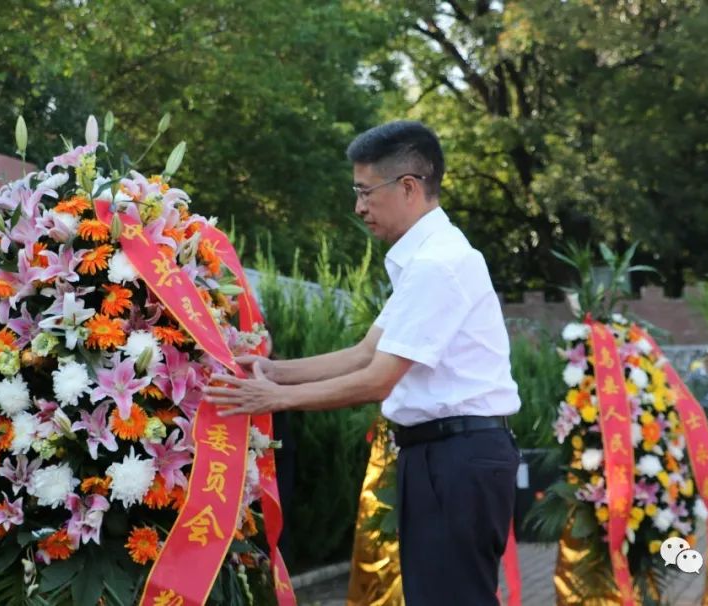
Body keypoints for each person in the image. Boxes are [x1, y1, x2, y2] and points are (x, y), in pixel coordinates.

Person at [206, 121, 521, 605]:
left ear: (409, 187)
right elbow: (364, 352)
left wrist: (274, 398)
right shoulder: (425, 260)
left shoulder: (440, 263)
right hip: (442, 456)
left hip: (458, 458)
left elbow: (377, 380)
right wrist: (272, 369)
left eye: (364, 192)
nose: (358, 207)